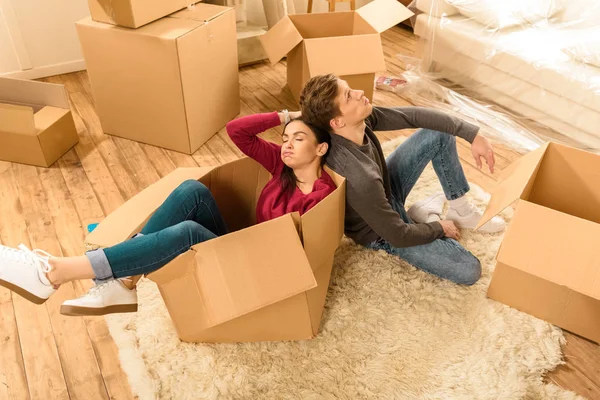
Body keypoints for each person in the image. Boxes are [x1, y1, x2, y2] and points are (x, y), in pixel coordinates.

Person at [0, 111, 335, 315]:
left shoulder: (322, 196)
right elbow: (237, 130)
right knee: (192, 190)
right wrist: (285, 116)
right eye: (285, 138)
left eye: (299, 139)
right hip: (244, 245)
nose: (286, 144)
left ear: (321, 149)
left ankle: (54, 272)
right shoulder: (280, 166)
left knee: (186, 232)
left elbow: (293, 252)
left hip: (264, 266)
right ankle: (125, 280)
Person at [299, 74, 506, 286]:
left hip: (385, 190)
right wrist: (439, 228)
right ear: (337, 122)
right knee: (469, 270)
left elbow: (413, 116)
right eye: (349, 96)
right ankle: (425, 214)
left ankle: (460, 210)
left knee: (440, 133)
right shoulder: (359, 176)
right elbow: (397, 235)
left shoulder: (355, 123)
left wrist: (472, 134)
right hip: (382, 233)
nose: (359, 93)